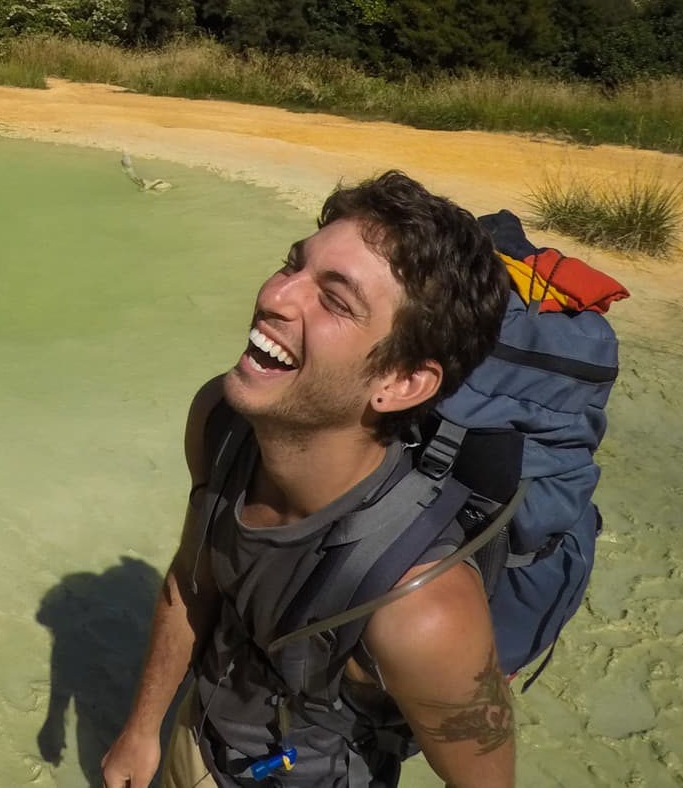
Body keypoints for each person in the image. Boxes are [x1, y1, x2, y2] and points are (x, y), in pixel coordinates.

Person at [102, 171, 515, 788]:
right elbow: (193, 583)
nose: (276, 296)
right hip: (197, 738)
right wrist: (141, 732)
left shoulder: (424, 610)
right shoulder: (221, 422)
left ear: (401, 384)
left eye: (336, 299)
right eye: (292, 264)